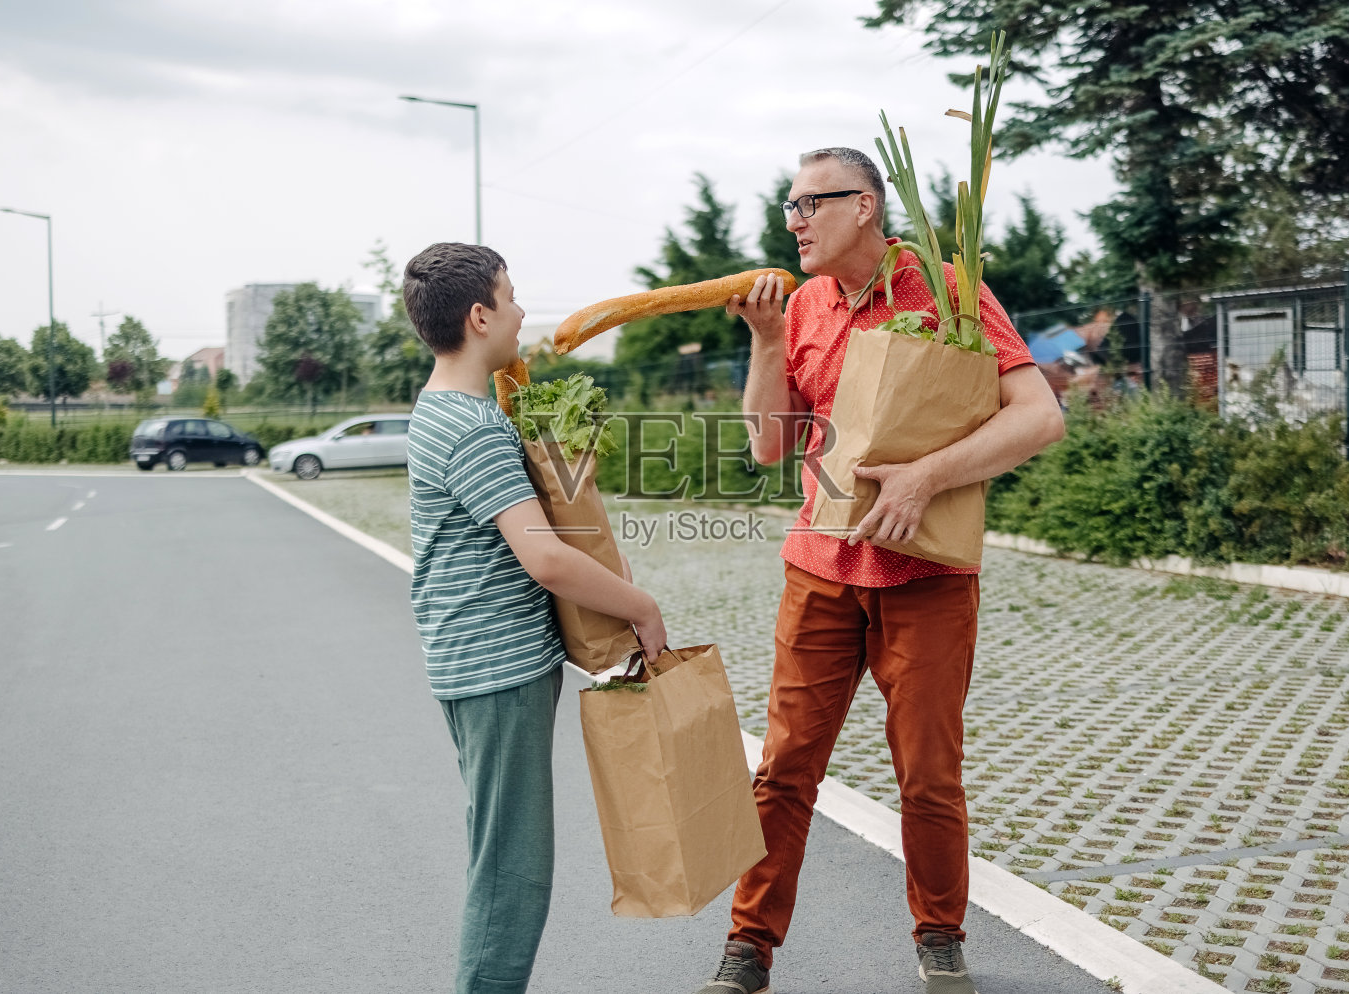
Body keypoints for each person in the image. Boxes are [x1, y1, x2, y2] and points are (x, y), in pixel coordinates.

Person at [693, 149, 1064, 994]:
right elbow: (768, 445)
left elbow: (1041, 417)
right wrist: (764, 341)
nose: (793, 222)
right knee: (783, 769)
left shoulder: (950, 289)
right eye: (787, 207)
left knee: (928, 773)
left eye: (807, 204)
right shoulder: (803, 307)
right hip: (820, 569)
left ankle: (940, 940)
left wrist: (927, 476)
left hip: (926, 576)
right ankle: (748, 950)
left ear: (864, 205)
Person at [402, 241, 668, 994]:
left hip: (473, 660)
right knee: (512, 866)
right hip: (496, 666)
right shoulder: (473, 427)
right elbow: (545, 558)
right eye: (511, 297)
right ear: (480, 315)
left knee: (503, 852)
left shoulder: (439, 411)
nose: (522, 312)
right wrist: (640, 605)